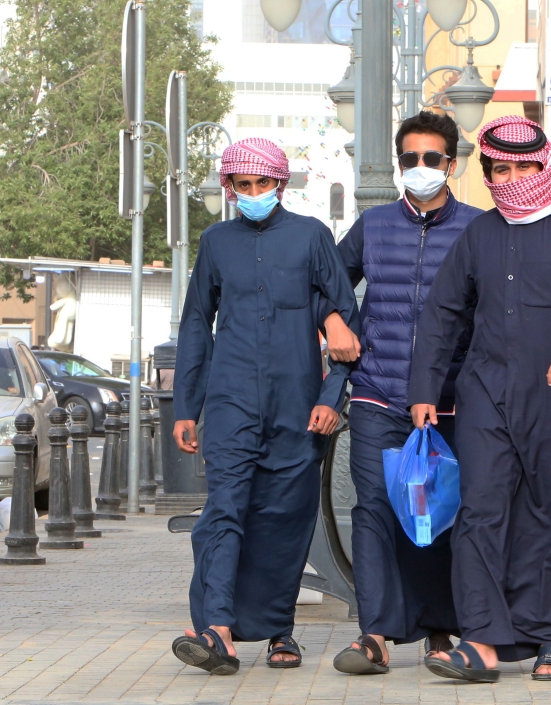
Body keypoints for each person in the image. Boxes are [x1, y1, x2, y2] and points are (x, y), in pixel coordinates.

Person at [408, 115, 551, 683]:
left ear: (543, 165)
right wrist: (425, 390)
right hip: (487, 394)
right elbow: (443, 313)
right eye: (498, 169)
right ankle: (480, 640)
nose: (510, 179)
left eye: (522, 167)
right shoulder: (480, 233)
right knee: (479, 512)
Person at [170, 138, 359, 675]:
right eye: (243, 186)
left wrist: (331, 397)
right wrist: (188, 406)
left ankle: (280, 631)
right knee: (223, 513)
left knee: (284, 519)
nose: (253, 194)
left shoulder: (312, 238)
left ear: (281, 184)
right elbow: (194, 326)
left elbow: (346, 321)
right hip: (229, 404)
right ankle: (218, 630)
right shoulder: (215, 242)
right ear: (230, 187)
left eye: (263, 185)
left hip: (299, 406)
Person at [320, 111, 483, 674]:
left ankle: (441, 628)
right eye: (409, 159)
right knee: (374, 510)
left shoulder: (478, 229)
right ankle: (376, 633)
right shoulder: (373, 225)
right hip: (377, 394)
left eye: (431, 159)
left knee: (438, 513)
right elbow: (329, 282)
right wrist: (335, 322)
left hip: (450, 402)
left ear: (451, 165)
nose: (420, 168)